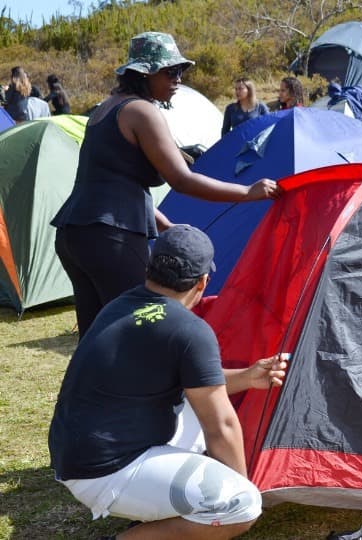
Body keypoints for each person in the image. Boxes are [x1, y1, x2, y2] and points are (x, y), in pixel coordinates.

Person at [49, 224, 289, 540]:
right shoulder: (189, 330)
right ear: (203, 282)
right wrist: (241, 490)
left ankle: (156, 500)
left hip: (76, 455)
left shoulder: (121, 305)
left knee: (197, 405)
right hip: (105, 473)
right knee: (241, 505)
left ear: (150, 268)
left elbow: (199, 387)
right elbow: (222, 426)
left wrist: (246, 377)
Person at [51, 31, 281, 338]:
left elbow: (118, 182)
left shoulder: (107, 109)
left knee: (96, 338)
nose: (178, 79)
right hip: (110, 236)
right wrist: (248, 192)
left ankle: (84, 387)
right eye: (170, 71)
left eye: (181, 71)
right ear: (145, 73)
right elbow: (182, 180)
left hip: (75, 234)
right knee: (139, 331)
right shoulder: (141, 111)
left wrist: (167, 226)